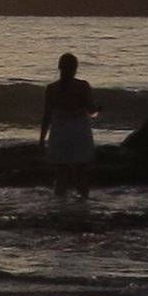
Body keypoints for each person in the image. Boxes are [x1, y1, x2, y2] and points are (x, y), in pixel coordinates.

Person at [38, 51, 102, 212]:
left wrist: (41, 139)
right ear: (75, 68)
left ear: (59, 67)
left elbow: (47, 115)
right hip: (79, 131)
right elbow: (91, 110)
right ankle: (83, 205)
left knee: (61, 173)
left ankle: (59, 206)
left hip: (60, 132)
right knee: (81, 172)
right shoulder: (82, 86)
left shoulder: (51, 88)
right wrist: (99, 107)